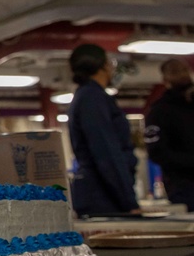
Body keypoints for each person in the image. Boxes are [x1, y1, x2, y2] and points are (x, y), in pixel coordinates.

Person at [66, 44, 141, 217]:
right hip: (104, 197)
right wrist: (129, 202)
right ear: (103, 66)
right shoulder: (92, 99)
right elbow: (106, 152)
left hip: (102, 194)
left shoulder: (88, 96)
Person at [143, 58, 194, 211]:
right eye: (175, 72)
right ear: (165, 79)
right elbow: (157, 153)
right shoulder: (159, 111)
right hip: (183, 186)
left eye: (183, 70)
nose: (181, 75)